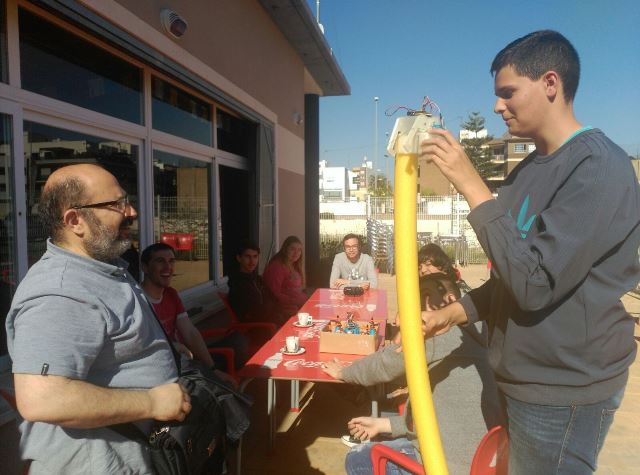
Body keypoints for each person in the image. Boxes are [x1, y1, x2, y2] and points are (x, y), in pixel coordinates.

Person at [419, 30, 640, 474]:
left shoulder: (597, 167)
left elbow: (533, 284)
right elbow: (510, 277)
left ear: (550, 83)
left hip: (563, 389)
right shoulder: (524, 174)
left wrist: (472, 185)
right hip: (520, 379)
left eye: (508, 92)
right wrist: (454, 313)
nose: (497, 106)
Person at [5, 164, 190, 474]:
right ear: (75, 221)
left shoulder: (101, 266)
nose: (131, 211)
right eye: (117, 204)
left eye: (127, 200)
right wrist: (152, 402)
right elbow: (42, 398)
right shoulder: (60, 291)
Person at [141, 242, 243, 379]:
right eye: (160, 261)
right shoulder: (137, 300)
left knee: (239, 342)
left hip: (185, 359)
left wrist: (212, 369)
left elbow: (190, 332)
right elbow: (139, 347)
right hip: (163, 369)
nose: (168, 267)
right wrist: (173, 346)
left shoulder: (170, 294)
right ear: (145, 267)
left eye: (171, 261)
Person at [228, 239, 287, 326]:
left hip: (272, 319)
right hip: (261, 327)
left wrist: (280, 311)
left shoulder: (257, 279)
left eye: (255, 257)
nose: (252, 261)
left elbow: (273, 298)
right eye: (247, 257)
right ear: (239, 258)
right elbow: (252, 313)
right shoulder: (238, 284)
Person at [263, 235, 308, 316]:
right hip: (285, 311)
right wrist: (294, 301)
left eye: (299, 250)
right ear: (285, 249)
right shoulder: (277, 266)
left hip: (299, 306)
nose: (296, 253)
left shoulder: (294, 265)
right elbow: (274, 293)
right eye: (292, 249)